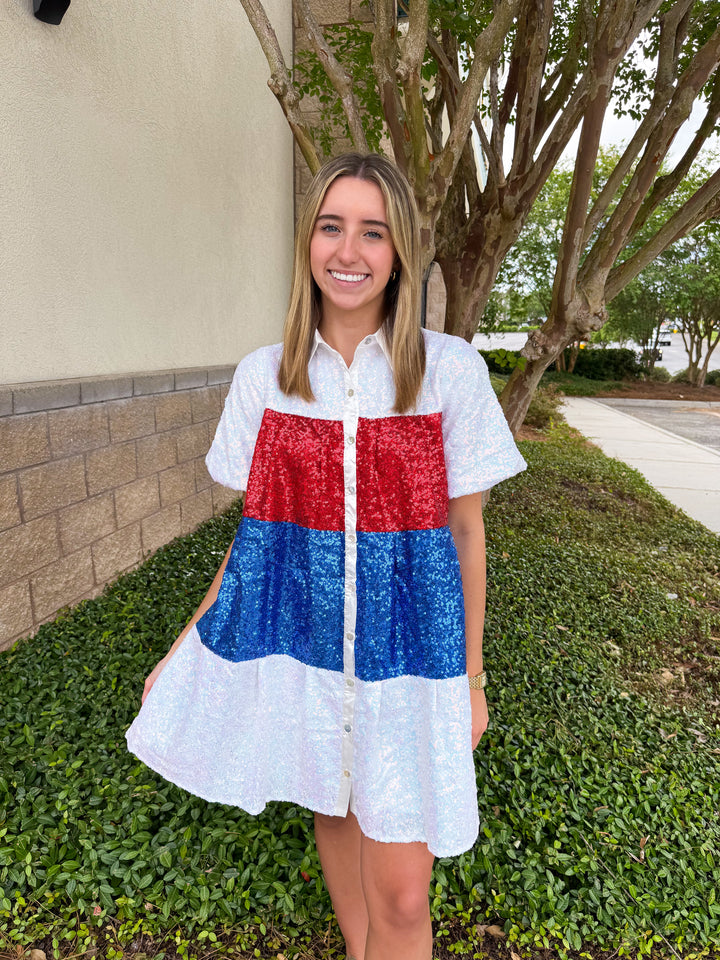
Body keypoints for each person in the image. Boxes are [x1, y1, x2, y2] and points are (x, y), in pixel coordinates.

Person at [126, 152, 526, 960]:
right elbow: (256, 542)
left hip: (411, 667)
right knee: (334, 809)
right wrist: (183, 647)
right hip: (305, 661)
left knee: (407, 900)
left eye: (373, 232)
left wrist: (472, 681)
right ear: (308, 242)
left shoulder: (448, 372)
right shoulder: (264, 380)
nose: (350, 251)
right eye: (332, 227)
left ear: (400, 249)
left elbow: (465, 534)